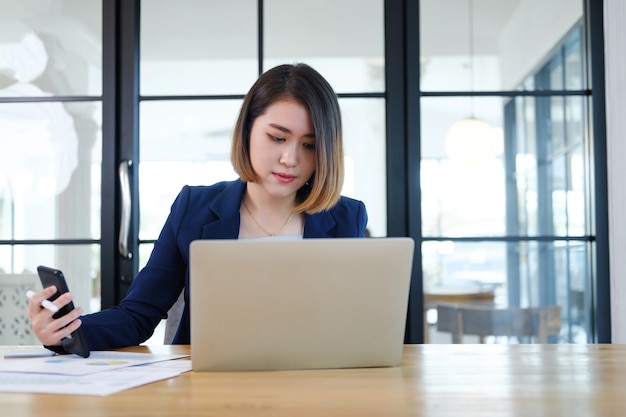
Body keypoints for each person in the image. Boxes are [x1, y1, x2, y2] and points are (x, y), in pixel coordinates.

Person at [27, 63, 369, 351]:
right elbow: (138, 315)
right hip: (207, 387)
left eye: (309, 145)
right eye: (277, 138)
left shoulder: (345, 218)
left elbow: (354, 327)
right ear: (248, 130)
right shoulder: (195, 207)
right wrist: (68, 332)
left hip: (312, 384)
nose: (290, 159)